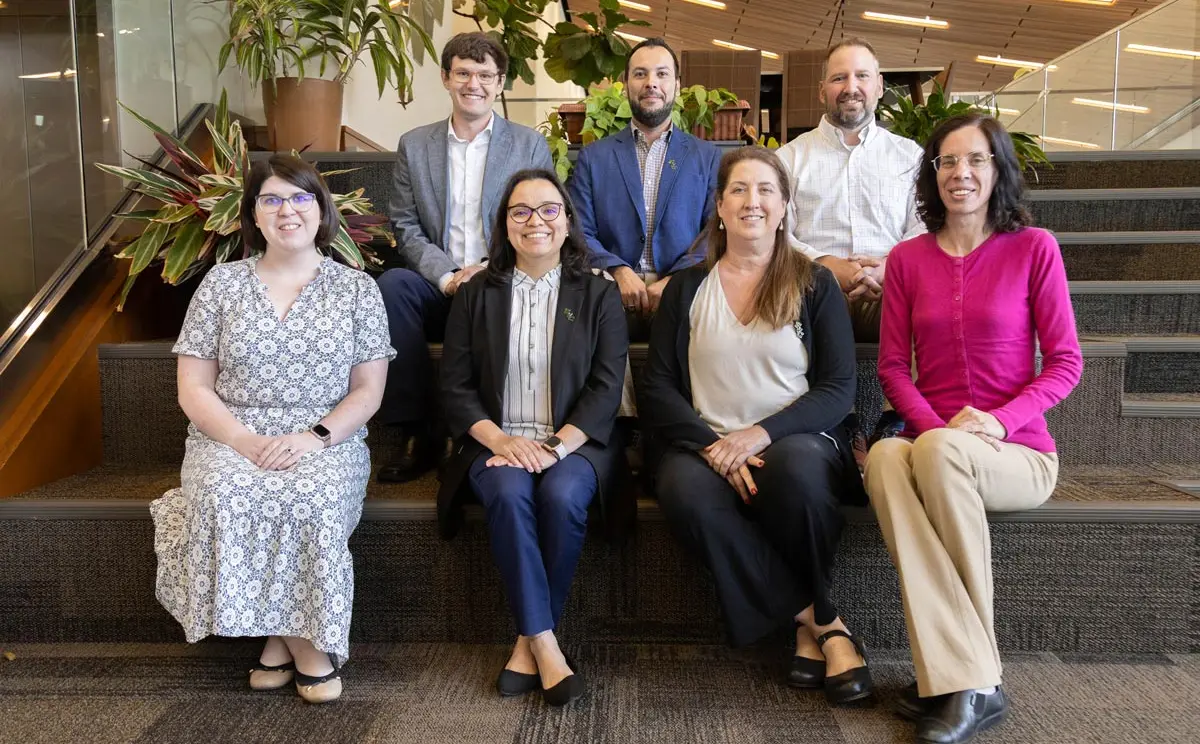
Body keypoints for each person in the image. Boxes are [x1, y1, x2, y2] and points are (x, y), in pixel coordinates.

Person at [864, 114, 1083, 744]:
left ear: (998, 170)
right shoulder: (907, 259)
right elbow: (890, 368)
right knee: (882, 459)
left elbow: (1066, 363)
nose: (962, 174)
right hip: (936, 445)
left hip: (1018, 453)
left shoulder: (1033, 247)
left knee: (931, 454)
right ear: (932, 175)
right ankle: (966, 674)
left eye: (977, 160)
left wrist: (996, 420)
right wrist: (938, 431)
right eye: (948, 162)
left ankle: (970, 681)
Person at [150, 154, 395, 704]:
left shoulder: (357, 290)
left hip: (325, 437)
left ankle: (281, 644)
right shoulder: (221, 283)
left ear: (321, 210)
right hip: (230, 433)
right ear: (254, 216)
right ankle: (309, 647)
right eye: (273, 199)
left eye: (301, 197)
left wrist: (313, 438)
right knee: (225, 491)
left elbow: (368, 392)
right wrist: (243, 441)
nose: (288, 210)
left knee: (309, 497)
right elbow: (193, 387)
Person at [640, 146, 872, 706]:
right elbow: (658, 388)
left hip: (794, 437)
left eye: (766, 190)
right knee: (685, 492)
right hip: (702, 442)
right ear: (719, 207)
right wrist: (713, 446)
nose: (753, 201)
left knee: (794, 474)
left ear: (785, 206)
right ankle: (822, 622)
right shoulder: (686, 289)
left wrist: (758, 436)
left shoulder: (816, 284)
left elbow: (839, 389)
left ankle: (806, 626)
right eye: (739, 190)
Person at [439, 169, 628, 705]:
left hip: (574, 442)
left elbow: (605, 387)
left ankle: (527, 640)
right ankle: (545, 642)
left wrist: (552, 448)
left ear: (567, 223)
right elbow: (454, 388)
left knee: (563, 494)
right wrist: (501, 442)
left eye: (549, 209)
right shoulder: (476, 294)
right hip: (493, 441)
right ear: (504, 224)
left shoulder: (597, 295)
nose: (535, 221)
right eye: (520, 211)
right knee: (506, 493)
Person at [376, 32, 554, 482]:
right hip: (439, 281)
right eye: (463, 73)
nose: (473, 83)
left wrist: (486, 269)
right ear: (446, 78)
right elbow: (405, 225)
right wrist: (449, 275)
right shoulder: (414, 145)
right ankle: (416, 431)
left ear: (500, 83)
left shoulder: (528, 145)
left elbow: (541, 222)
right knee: (392, 287)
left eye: (485, 75)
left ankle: (481, 432)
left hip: (502, 278)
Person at [775, 37, 925, 445]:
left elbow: (925, 225)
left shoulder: (909, 155)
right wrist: (823, 263)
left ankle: (898, 417)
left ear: (879, 85)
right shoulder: (790, 159)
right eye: (839, 77)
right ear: (823, 89)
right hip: (816, 287)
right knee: (810, 293)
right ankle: (835, 417)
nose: (850, 86)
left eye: (861, 76)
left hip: (890, 285)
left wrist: (887, 265)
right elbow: (778, 232)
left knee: (927, 297)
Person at [568, 37, 722, 336]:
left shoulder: (706, 157)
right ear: (625, 84)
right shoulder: (595, 157)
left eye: (661, 74)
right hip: (609, 290)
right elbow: (578, 229)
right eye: (640, 74)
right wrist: (619, 271)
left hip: (684, 290)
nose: (651, 83)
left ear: (677, 85)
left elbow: (714, 230)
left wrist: (675, 280)